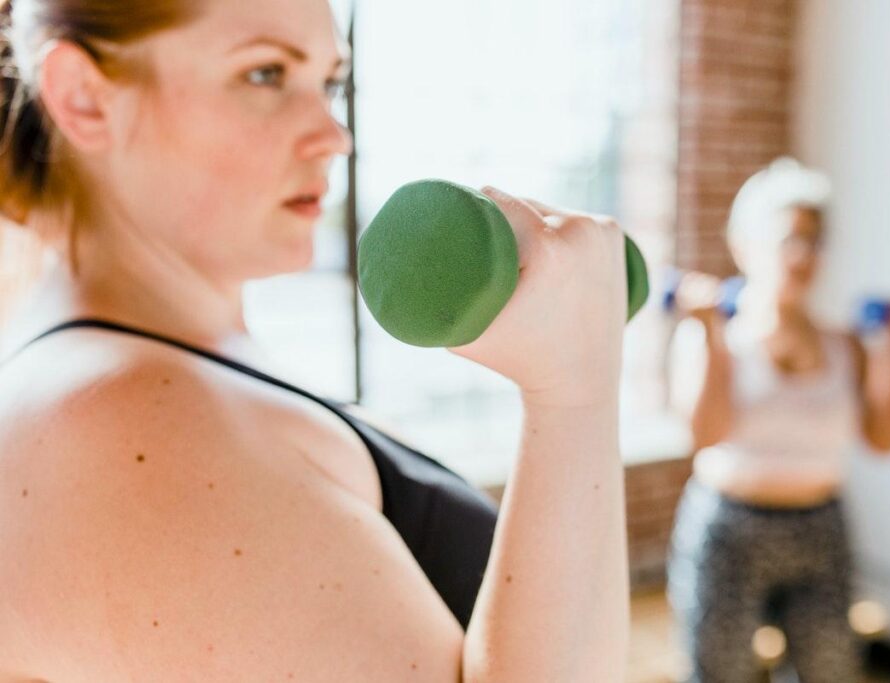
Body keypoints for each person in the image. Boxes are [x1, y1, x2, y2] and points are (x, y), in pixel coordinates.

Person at [0, 0, 631, 679]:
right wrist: (574, 393)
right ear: (84, 98)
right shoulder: (117, 428)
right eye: (266, 73)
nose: (335, 135)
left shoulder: (179, 366)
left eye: (329, 83)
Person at [666, 158, 890, 682]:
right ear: (745, 245)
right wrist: (712, 333)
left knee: (830, 673)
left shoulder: (845, 345)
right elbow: (704, 435)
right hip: (728, 530)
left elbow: (885, 439)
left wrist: (889, 345)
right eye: (789, 238)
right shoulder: (715, 334)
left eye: (815, 241)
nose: (803, 254)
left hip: (819, 527)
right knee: (718, 674)